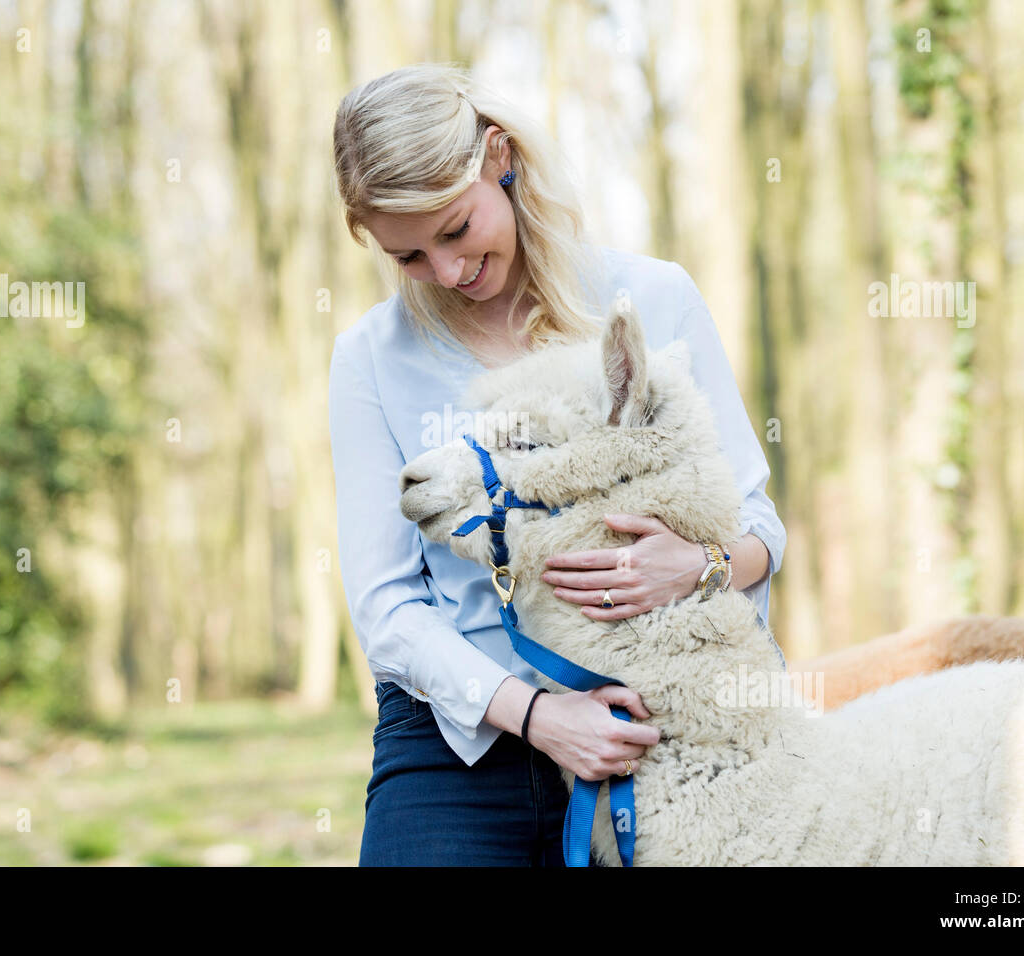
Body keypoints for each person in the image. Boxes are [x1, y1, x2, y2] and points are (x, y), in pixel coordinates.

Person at [329, 63, 786, 866]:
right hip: (458, 737)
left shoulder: (654, 296)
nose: (446, 273)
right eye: (408, 257)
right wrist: (539, 717)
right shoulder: (370, 358)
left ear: (499, 157)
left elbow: (759, 526)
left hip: (653, 716)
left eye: (457, 230)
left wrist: (699, 564)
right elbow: (388, 607)